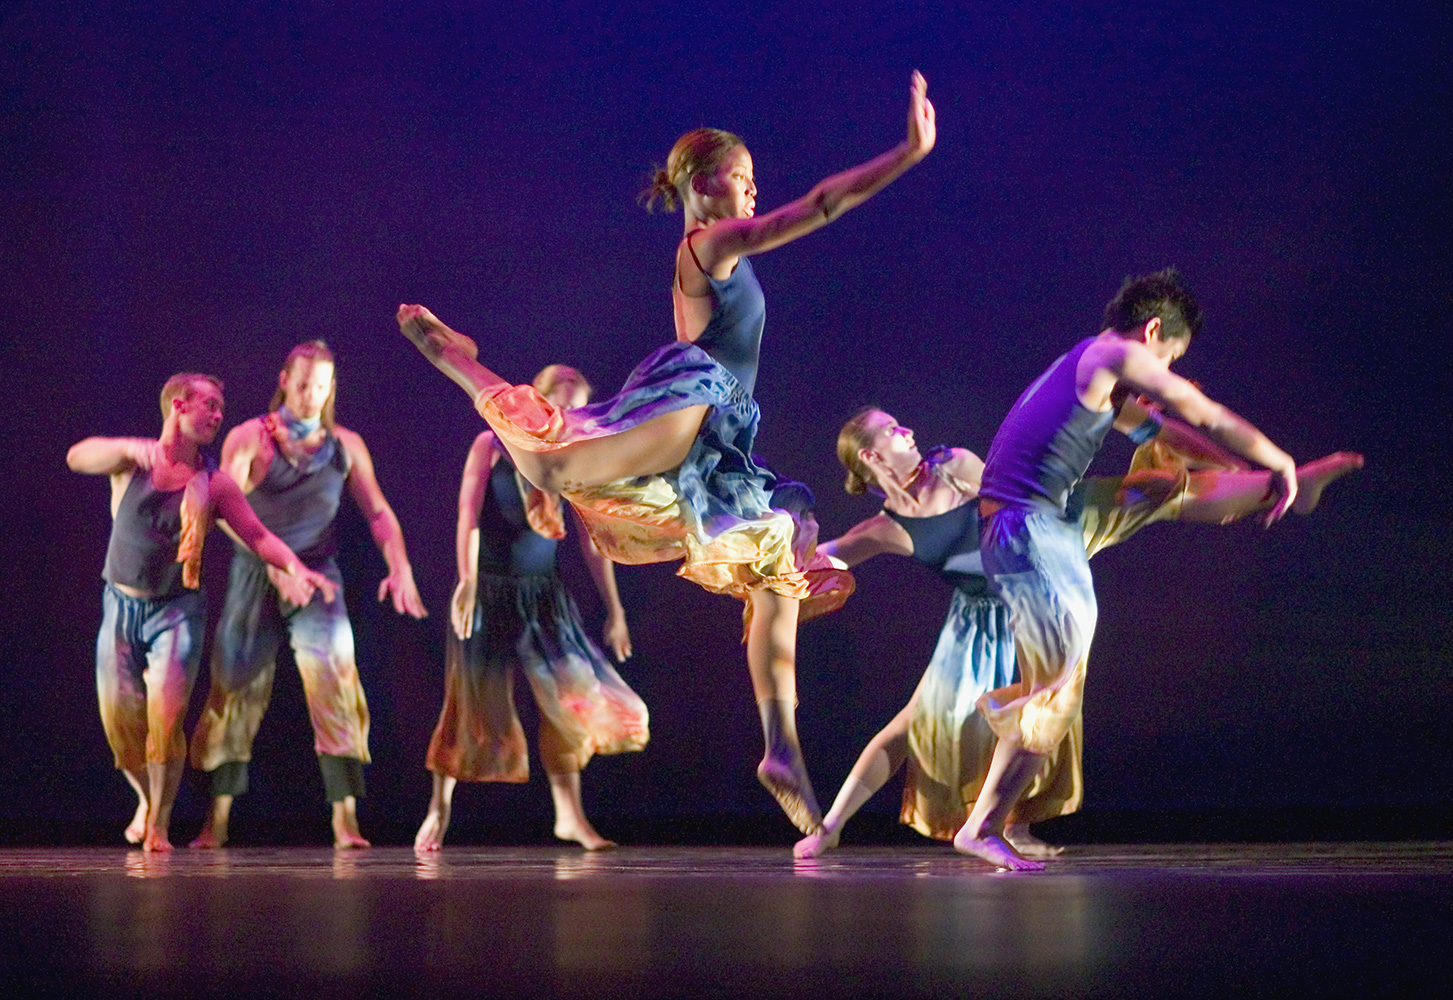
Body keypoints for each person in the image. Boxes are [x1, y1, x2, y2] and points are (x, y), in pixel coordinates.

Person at [395, 72, 936, 835]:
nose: (754, 190)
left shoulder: (718, 251)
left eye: (754, 179)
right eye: (742, 176)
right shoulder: (709, 244)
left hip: (725, 433)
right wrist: (906, 154)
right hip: (696, 399)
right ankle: (456, 359)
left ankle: (781, 747)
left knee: (775, 573)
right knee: (551, 466)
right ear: (700, 184)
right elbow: (819, 206)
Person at [793, 407, 1362, 859]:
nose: (908, 431)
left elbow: (1015, 502)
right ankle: (834, 826)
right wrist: (790, 544)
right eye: (893, 430)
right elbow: (821, 560)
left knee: (1153, 490)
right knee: (917, 724)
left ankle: (1284, 486)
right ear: (871, 456)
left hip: (1050, 543)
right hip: (987, 620)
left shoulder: (954, 464)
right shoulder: (884, 529)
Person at [953, 268, 1310, 870]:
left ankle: (1256, 490)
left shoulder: (1097, 376)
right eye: (1170, 358)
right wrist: (1281, 459)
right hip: (1026, 529)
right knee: (1058, 681)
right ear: (1151, 332)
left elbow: (1168, 431)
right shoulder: (1112, 355)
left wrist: (1240, 471)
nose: (1165, 373)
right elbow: (1204, 412)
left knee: (1157, 486)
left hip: (1049, 522)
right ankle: (982, 824)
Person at [68, 373, 335, 853]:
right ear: (178, 404)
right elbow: (77, 456)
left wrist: (297, 567)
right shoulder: (131, 463)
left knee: (166, 722)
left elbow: (258, 536)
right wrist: (129, 446)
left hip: (177, 612)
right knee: (121, 726)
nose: (218, 414)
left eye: (220, 407)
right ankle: (146, 800)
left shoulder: (215, 483)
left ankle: (159, 823)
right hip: (121, 606)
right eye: (208, 404)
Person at [187, 341, 427, 849]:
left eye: (320, 386)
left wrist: (400, 565)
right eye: (302, 384)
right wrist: (277, 566)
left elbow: (378, 512)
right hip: (257, 572)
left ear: (331, 387)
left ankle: (345, 820)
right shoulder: (251, 437)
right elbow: (221, 509)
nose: (310, 394)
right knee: (234, 685)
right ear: (284, 381)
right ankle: (216, 818)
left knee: (336, 679)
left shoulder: (344, 445)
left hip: (318, 577)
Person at [416, 365, 650, 853]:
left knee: (569, 698)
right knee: (470, 696)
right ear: (533, 401)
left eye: (575, 408)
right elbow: (468, 514)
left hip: (543, 596)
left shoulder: (573, 458)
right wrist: (466, 580)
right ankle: (439, 809)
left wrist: (616, 610)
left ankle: (570, 816)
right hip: (487, 589)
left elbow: (593, 541)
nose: (565, 415)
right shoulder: (492, 445)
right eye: (557, 404)